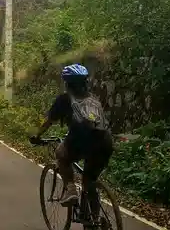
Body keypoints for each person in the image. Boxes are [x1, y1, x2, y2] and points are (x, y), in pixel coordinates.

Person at [30, 64, 113, 212]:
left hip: (82, 139)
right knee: (89, 180)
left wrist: (37, 136)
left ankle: (70, 189)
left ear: (67, 83)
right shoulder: (94, 99)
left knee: (61, 154)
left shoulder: (64, 99)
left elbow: (48, 121)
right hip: (105, 142)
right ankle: (94, 221)